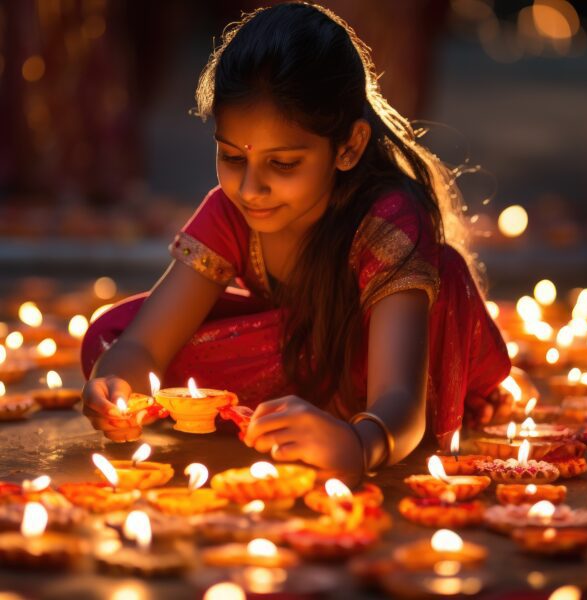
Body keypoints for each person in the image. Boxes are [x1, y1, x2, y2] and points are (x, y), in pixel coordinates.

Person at [81, 1, 511, 486]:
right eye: (230, 156)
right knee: (110, 336)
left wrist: (358, 444)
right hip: (297, 356)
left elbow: (399, 402)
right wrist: (113, 384)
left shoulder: (387, 222)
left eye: (282, 164)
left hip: (390, 367)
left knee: (420, 318)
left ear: (348, 147)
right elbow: (143, 342)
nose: (249, 189)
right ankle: (303, 415)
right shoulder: (232, 210)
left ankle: (324, 418)